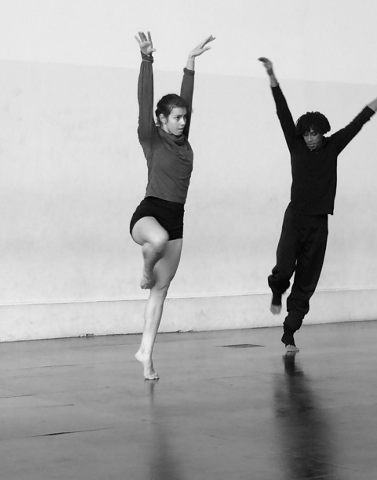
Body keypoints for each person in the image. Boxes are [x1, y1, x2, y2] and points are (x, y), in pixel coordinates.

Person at [258, 57, 377, 353]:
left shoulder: (333, 146)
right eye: (306, 134)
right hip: (295, 218)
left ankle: (289, 333)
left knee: (307, 279)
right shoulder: (296, 146)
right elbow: (282, 111)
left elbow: (361, 119)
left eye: (315, 134)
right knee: (284, 266)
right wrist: (272, 75)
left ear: (322, 132)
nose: (311, 139)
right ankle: (277, 291)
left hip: (319, 223)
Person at [130, 31, 215, 379]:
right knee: (158, 241)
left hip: (176, 219)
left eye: (184, 117)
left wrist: (190, 64)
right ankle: (146, 269)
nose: (183, 121)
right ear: (161, 120)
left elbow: (187, 99)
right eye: (176, 117)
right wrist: (147, 60)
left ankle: (146, 356)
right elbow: (144, 100)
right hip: (148, 214)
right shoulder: (151, 139)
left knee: (160, 294)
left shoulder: (184, 142)